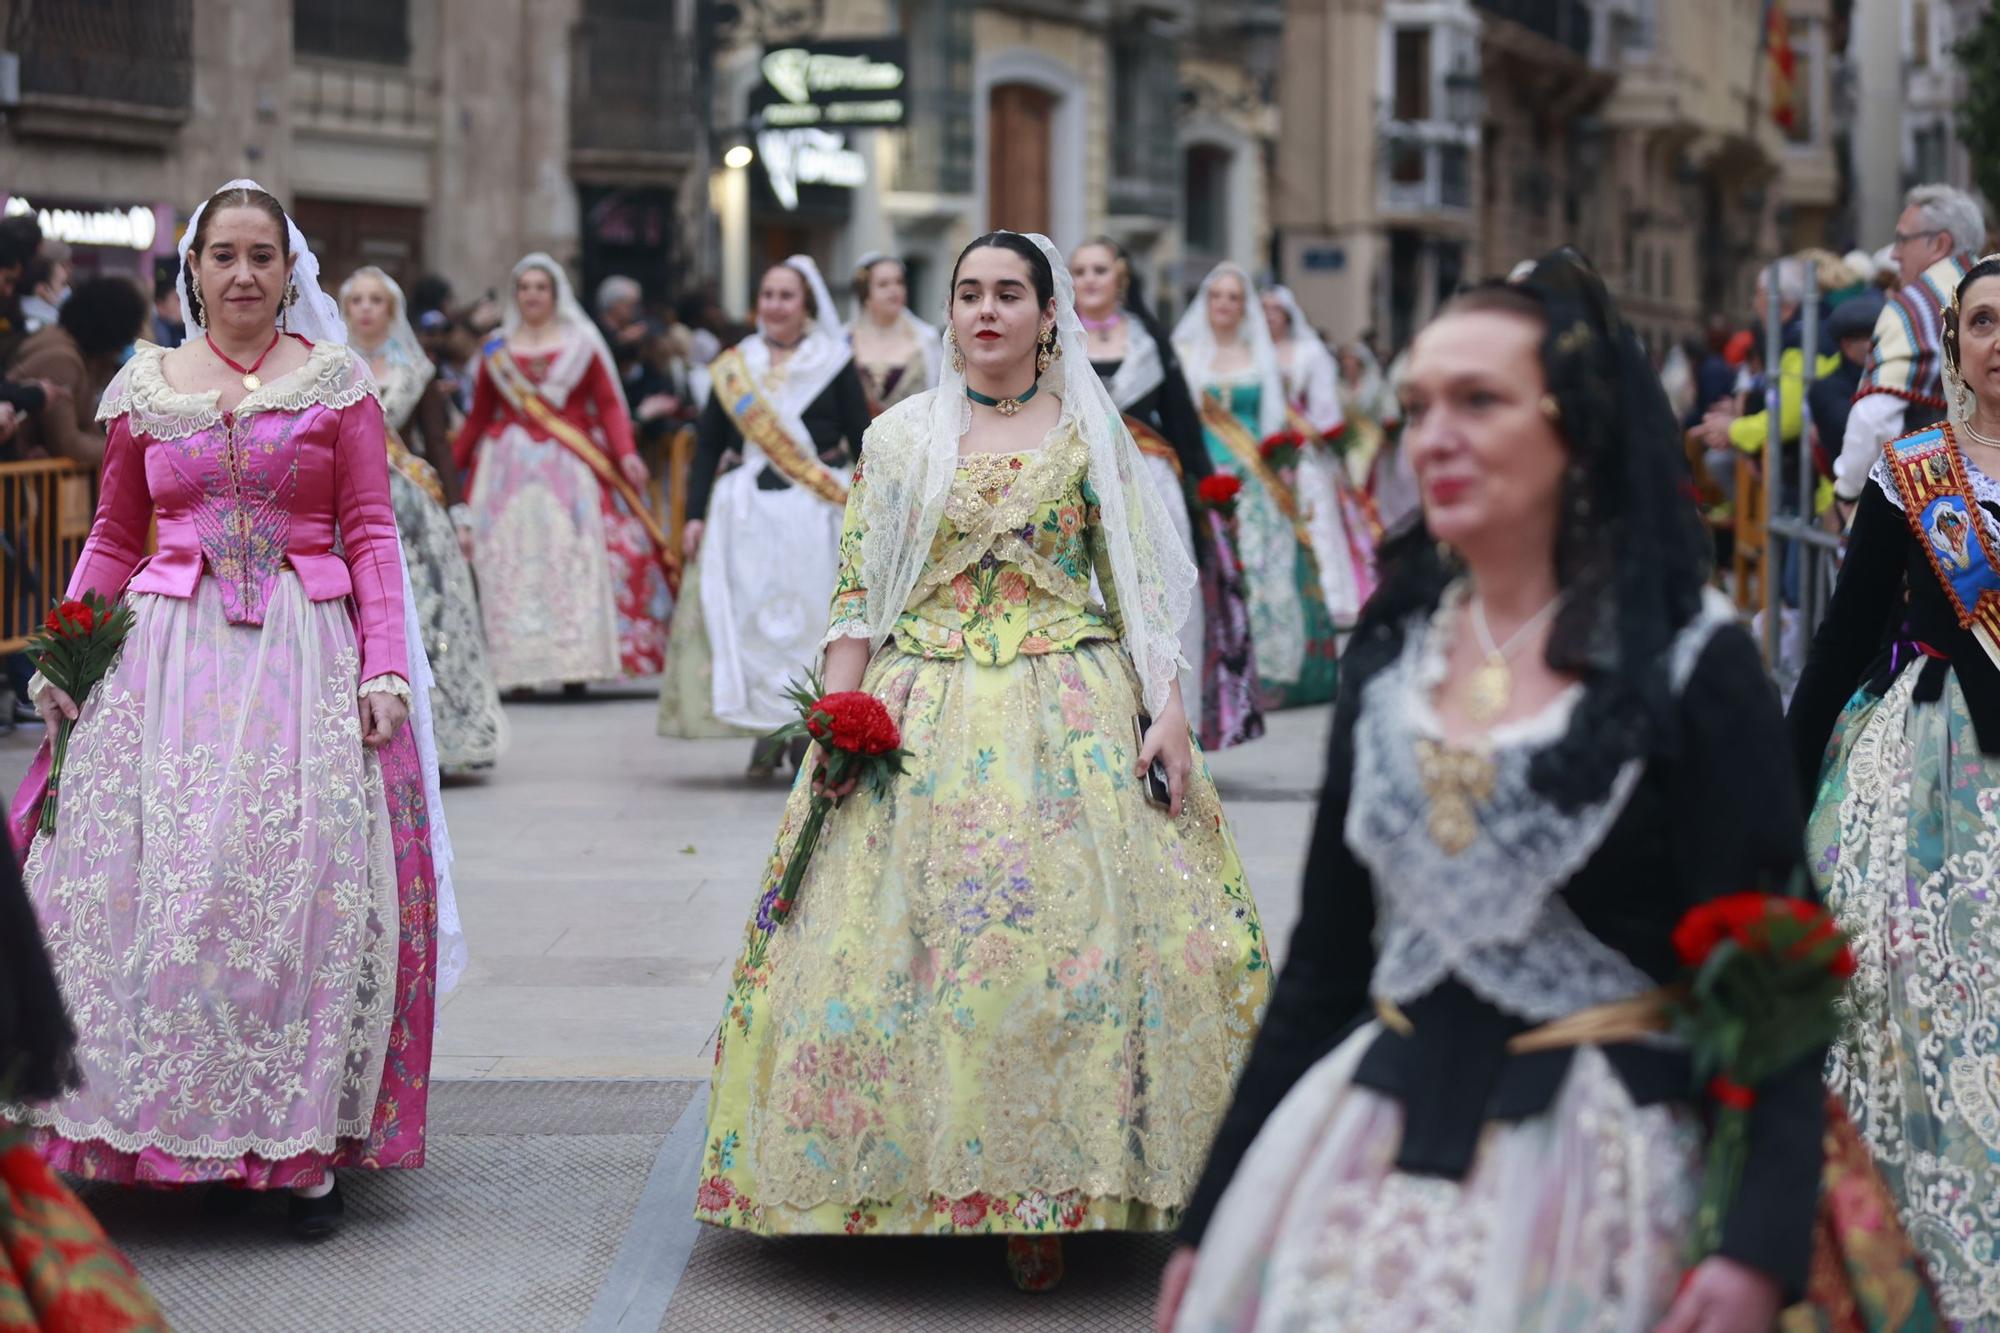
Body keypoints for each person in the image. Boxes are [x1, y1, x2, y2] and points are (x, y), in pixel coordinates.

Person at [1159, 251, 1825, 1332]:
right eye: (1418, 405)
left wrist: (1756, 1245)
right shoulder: (1391, 659)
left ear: (1578, 428)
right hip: (1369, 1144)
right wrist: (1208, 1215)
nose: (1433, 435)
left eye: (1479, 400)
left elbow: (1774, 981)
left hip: (1599, 1174)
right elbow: (1323, 972)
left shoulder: (1691, 663)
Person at [695, 232, 1268, 1292]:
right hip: (925, 708)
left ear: (1052, 316)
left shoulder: (1099, 438)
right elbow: (859, 591)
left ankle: (1051, 1186)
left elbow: (1140, 588)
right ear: (947, 315)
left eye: (1010, 293)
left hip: (1070, 703)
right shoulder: (899, 436)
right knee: (907, 953)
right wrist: (836, 713)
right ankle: (893, 1176)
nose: (987, 311)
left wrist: (1169, 713)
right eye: (968, 294)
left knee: (1067, 953)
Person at [0, 180, 451, 1239]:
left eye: (261, 255)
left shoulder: (336, 385)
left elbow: (369, 533)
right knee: (143, 888)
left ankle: (290, 1146)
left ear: (289, 270)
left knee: (288, 889)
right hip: (160, 661)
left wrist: (385, 665)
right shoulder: (145, 385)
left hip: (299, 650)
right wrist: (67, 652)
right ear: (190, 270)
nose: (243, 274)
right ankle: (140, 1122)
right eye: (223, 256)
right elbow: (115, 535)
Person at [1788, 254, 2000, 1324]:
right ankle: (1922, 1225)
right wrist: (1777, 782)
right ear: (1953, 345)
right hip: (1928, 762)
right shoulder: (1913, 468)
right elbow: (1839, 640)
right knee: (1916, 991)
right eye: (1981, 322)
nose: (1999, 339)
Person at [659, 257, 869, 772]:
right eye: (768, 295)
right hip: (745, 515)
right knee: (751, 624)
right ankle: (764, 730)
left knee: (807, 622)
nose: (775, 305)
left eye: (786, 296)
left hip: (813, 513)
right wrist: (695, 515)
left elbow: (863, 434)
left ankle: (805, 729)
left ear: (807, 305)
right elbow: (707, 446)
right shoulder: (736, 365)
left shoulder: (833, 361)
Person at [453, 253, 674, 694]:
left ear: (555, 294)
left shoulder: (582, 344)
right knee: (507, 561)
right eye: (525, 287)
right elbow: (478, 416)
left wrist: (626, 453)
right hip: (507, 469)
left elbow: (609, 404)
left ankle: (576, 662)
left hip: (569, 465)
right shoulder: (496, 348)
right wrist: (448, 466)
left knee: (575, 556)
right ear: (516, 295)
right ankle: (517, 669)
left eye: (541, 287)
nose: (532, 295)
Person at [1072, 237, 1262, 749]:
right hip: (1076, 484)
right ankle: (1097, 726)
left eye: (1099, 270)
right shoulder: (1056, 341)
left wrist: (1207, 491)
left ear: (1121, 278)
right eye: (1080, 270)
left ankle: (1174, 723)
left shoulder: (1150, 341)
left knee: (1161, 599)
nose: (1089, 279)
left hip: (1152, 487)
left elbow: (1182, 420)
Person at [343, 265, 508, 776]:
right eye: (357, 301)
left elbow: (438, 445)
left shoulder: (417, 372)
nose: (366, 309)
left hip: (410, 511)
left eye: (377, 301)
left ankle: (437, 737)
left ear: (392, 312)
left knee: (427, 616)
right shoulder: (329, 368)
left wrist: (456, 510)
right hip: (348, 506)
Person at [1175, 264, 1339, 709]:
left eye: (1233, 298)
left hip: (1254, 480)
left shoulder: (1258, 353)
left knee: (1265, 573)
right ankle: (1214, 672)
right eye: (1217, 296)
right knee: (1209, 576)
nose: (1224, 305)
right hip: (1205, 479)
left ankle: (1267, 673)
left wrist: (1279, 468)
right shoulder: (1186, 354)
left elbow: (1272, 417)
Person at [1831, 183, 1984, 510]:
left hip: (1930, 512)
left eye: (1903, 239)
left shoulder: (1916, 306)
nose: (1895, 253)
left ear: (1940, 244)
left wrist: (1846, 491)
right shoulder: (1989, 289)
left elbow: (1874, 418)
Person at [1262, 285, 1377, 629]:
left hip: (1304, 450)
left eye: (1274, 309)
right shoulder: (1253, 349)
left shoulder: (1309, 352)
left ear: (1287, 314)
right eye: (1263, 308)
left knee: (1316, 519)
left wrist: (1305, 433)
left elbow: (1325, 410)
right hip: (1264, 451)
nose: (1268, 316)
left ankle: (1329, 597)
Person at [3, 275, 148, 467]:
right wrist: (132, 453)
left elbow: (87, 427)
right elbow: (68, 443)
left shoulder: (67, 348)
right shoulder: (62, 360)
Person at [846, 252, 940, 415]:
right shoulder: (843, 342)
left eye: (899, 282)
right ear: (865, 294)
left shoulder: (926, 340)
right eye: (883, 284)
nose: (894, 290)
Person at [1805, 289, 1885, 478]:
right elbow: (1865, 433)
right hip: (1850, 493)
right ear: (1847, 346)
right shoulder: (1826, 389)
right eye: (1872, 339)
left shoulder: (1887, 376)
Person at [16, 242, 69, 336]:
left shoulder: (17, 313)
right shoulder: (46, 327)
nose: (67, 289)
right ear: (42, 289)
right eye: (62, 284)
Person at [151, 271, 186, 349]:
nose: (185, 304)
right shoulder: (158, 336)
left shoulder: (181, 332)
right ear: (160, 306)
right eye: (178, 299)